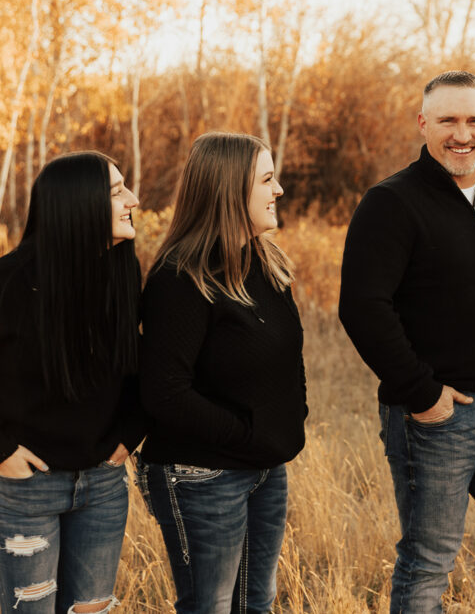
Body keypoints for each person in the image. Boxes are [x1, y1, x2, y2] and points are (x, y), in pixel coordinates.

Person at [339, 70, 475, 614]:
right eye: (448, 121)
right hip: (438, 417)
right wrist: (422, 393)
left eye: (474, 121)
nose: (462, 134)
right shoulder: (390, 203)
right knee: (428, 563)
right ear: (423, 124)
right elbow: (363, 309)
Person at [0, 151, 144, 614]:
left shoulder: (123, 272)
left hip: (103, 487)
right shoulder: (3, 284)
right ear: (78, 204)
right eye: (116, 191)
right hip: (25, 491)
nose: (133, 199)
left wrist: (130, 433)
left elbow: (139, 363)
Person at [135, 132, 306, 614]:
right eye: (267, 180)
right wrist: (249, 435)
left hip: (265, 469)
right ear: (230, 190)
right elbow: (165, 392)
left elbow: (289, 356)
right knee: (209, 607)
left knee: (257, 602)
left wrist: (291, 419)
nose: (279, 191)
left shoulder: (266, 261)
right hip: (201, 474)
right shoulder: (180, 278)